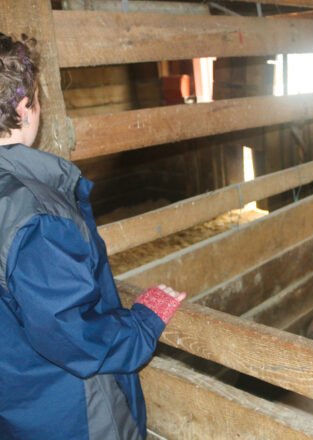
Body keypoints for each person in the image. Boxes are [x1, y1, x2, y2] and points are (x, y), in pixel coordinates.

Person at [0, 33, 186, 440]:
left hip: (16, 401)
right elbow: (72, 334)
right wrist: (143, 323)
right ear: (23, 108)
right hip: (69, 414)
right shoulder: (35, 217)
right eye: (36, 97)